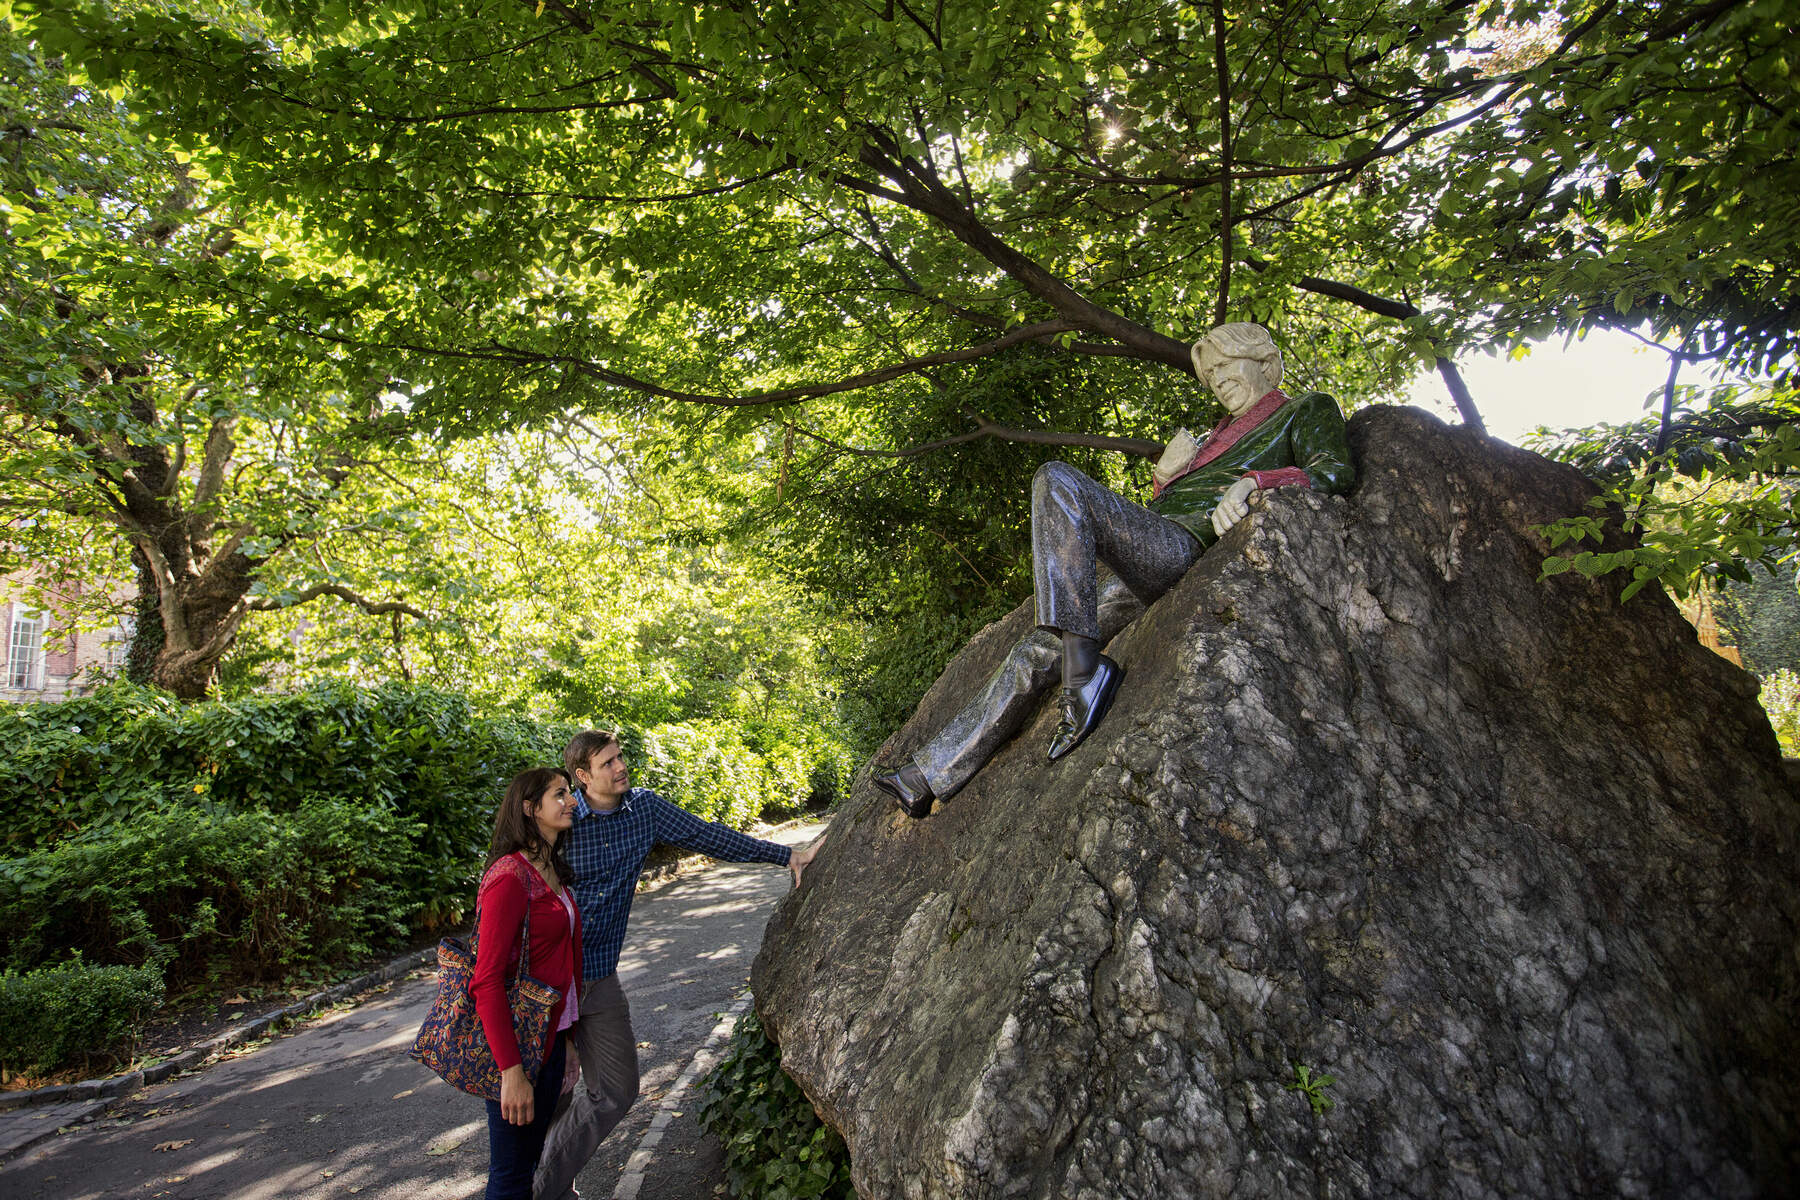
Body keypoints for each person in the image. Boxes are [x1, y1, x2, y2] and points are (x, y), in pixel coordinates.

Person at [874, 321, 1356, 817]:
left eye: (1226, 364)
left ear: (1265, 364)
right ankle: (925, 775)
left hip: (1186, 548)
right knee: (1042, 645)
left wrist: (1254, 482)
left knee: (1057, 479)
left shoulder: (1304, 408)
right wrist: (1165, 477)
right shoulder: (1211, 438)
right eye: (1209, 374)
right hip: (1153, 553)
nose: (1217, 380)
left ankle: (1084, 677)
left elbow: (1334, 471)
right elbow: (1163, 508)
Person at [532, 730, 824, 1200]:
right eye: (608, 763)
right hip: (545, 982)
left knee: (617, 1090)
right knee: (551, 1096)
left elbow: (706, 835)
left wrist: (787, 855)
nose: (621, 766)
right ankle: (551, 1188)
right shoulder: (561, 819)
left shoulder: (643, 809)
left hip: (598, 977)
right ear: (582, 776)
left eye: (620, 757)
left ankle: (540, 1184)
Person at [473, 768, 583, 1200]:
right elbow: (486, 982)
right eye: (560, 795)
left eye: (570, 794)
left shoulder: (550, 867)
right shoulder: (509, 877)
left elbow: (560, 962)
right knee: (512, 1176)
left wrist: (568, 1039)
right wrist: (511, 1073)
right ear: (529, 808)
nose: (571, 802)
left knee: (532, 1163)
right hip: (520, 1050)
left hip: (551, 1041)